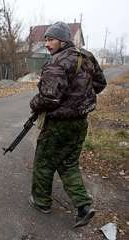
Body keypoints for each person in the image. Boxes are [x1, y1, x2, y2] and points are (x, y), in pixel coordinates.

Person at [29, 22, 107, 227]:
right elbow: (100, 84)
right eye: (45, 39)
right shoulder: (87, 56)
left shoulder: (57, 62)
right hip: (80, 123)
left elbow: (49, 98)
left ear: (63, 40)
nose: (47, 44)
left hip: (58, 125)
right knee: (68, 163)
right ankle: (83, 206)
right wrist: (80, 97)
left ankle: (41, 202)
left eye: (51, 39)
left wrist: (33, 104)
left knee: (44, 163)